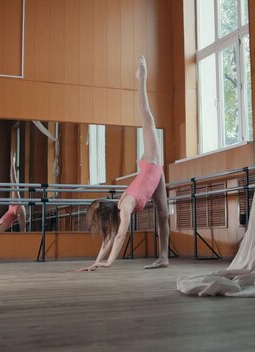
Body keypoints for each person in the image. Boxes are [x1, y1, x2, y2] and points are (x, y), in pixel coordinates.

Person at [80, 56, 170, 271]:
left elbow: (121, 236)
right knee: (163, 214)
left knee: (147, 117)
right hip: (153, 175)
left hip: (151, 163)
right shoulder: (121, 209)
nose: (105, 227)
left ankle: (142, 78)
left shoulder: (126, 204)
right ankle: (164, 257)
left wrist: (108, 263)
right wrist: (95, 263)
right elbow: (111, 238)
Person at [0, 152, 26, 232]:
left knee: (23, 230)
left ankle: (12, 163)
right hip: (13, 209)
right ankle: (12, 163)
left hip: (17, 209)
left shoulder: (1, 227)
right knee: (14, 183)